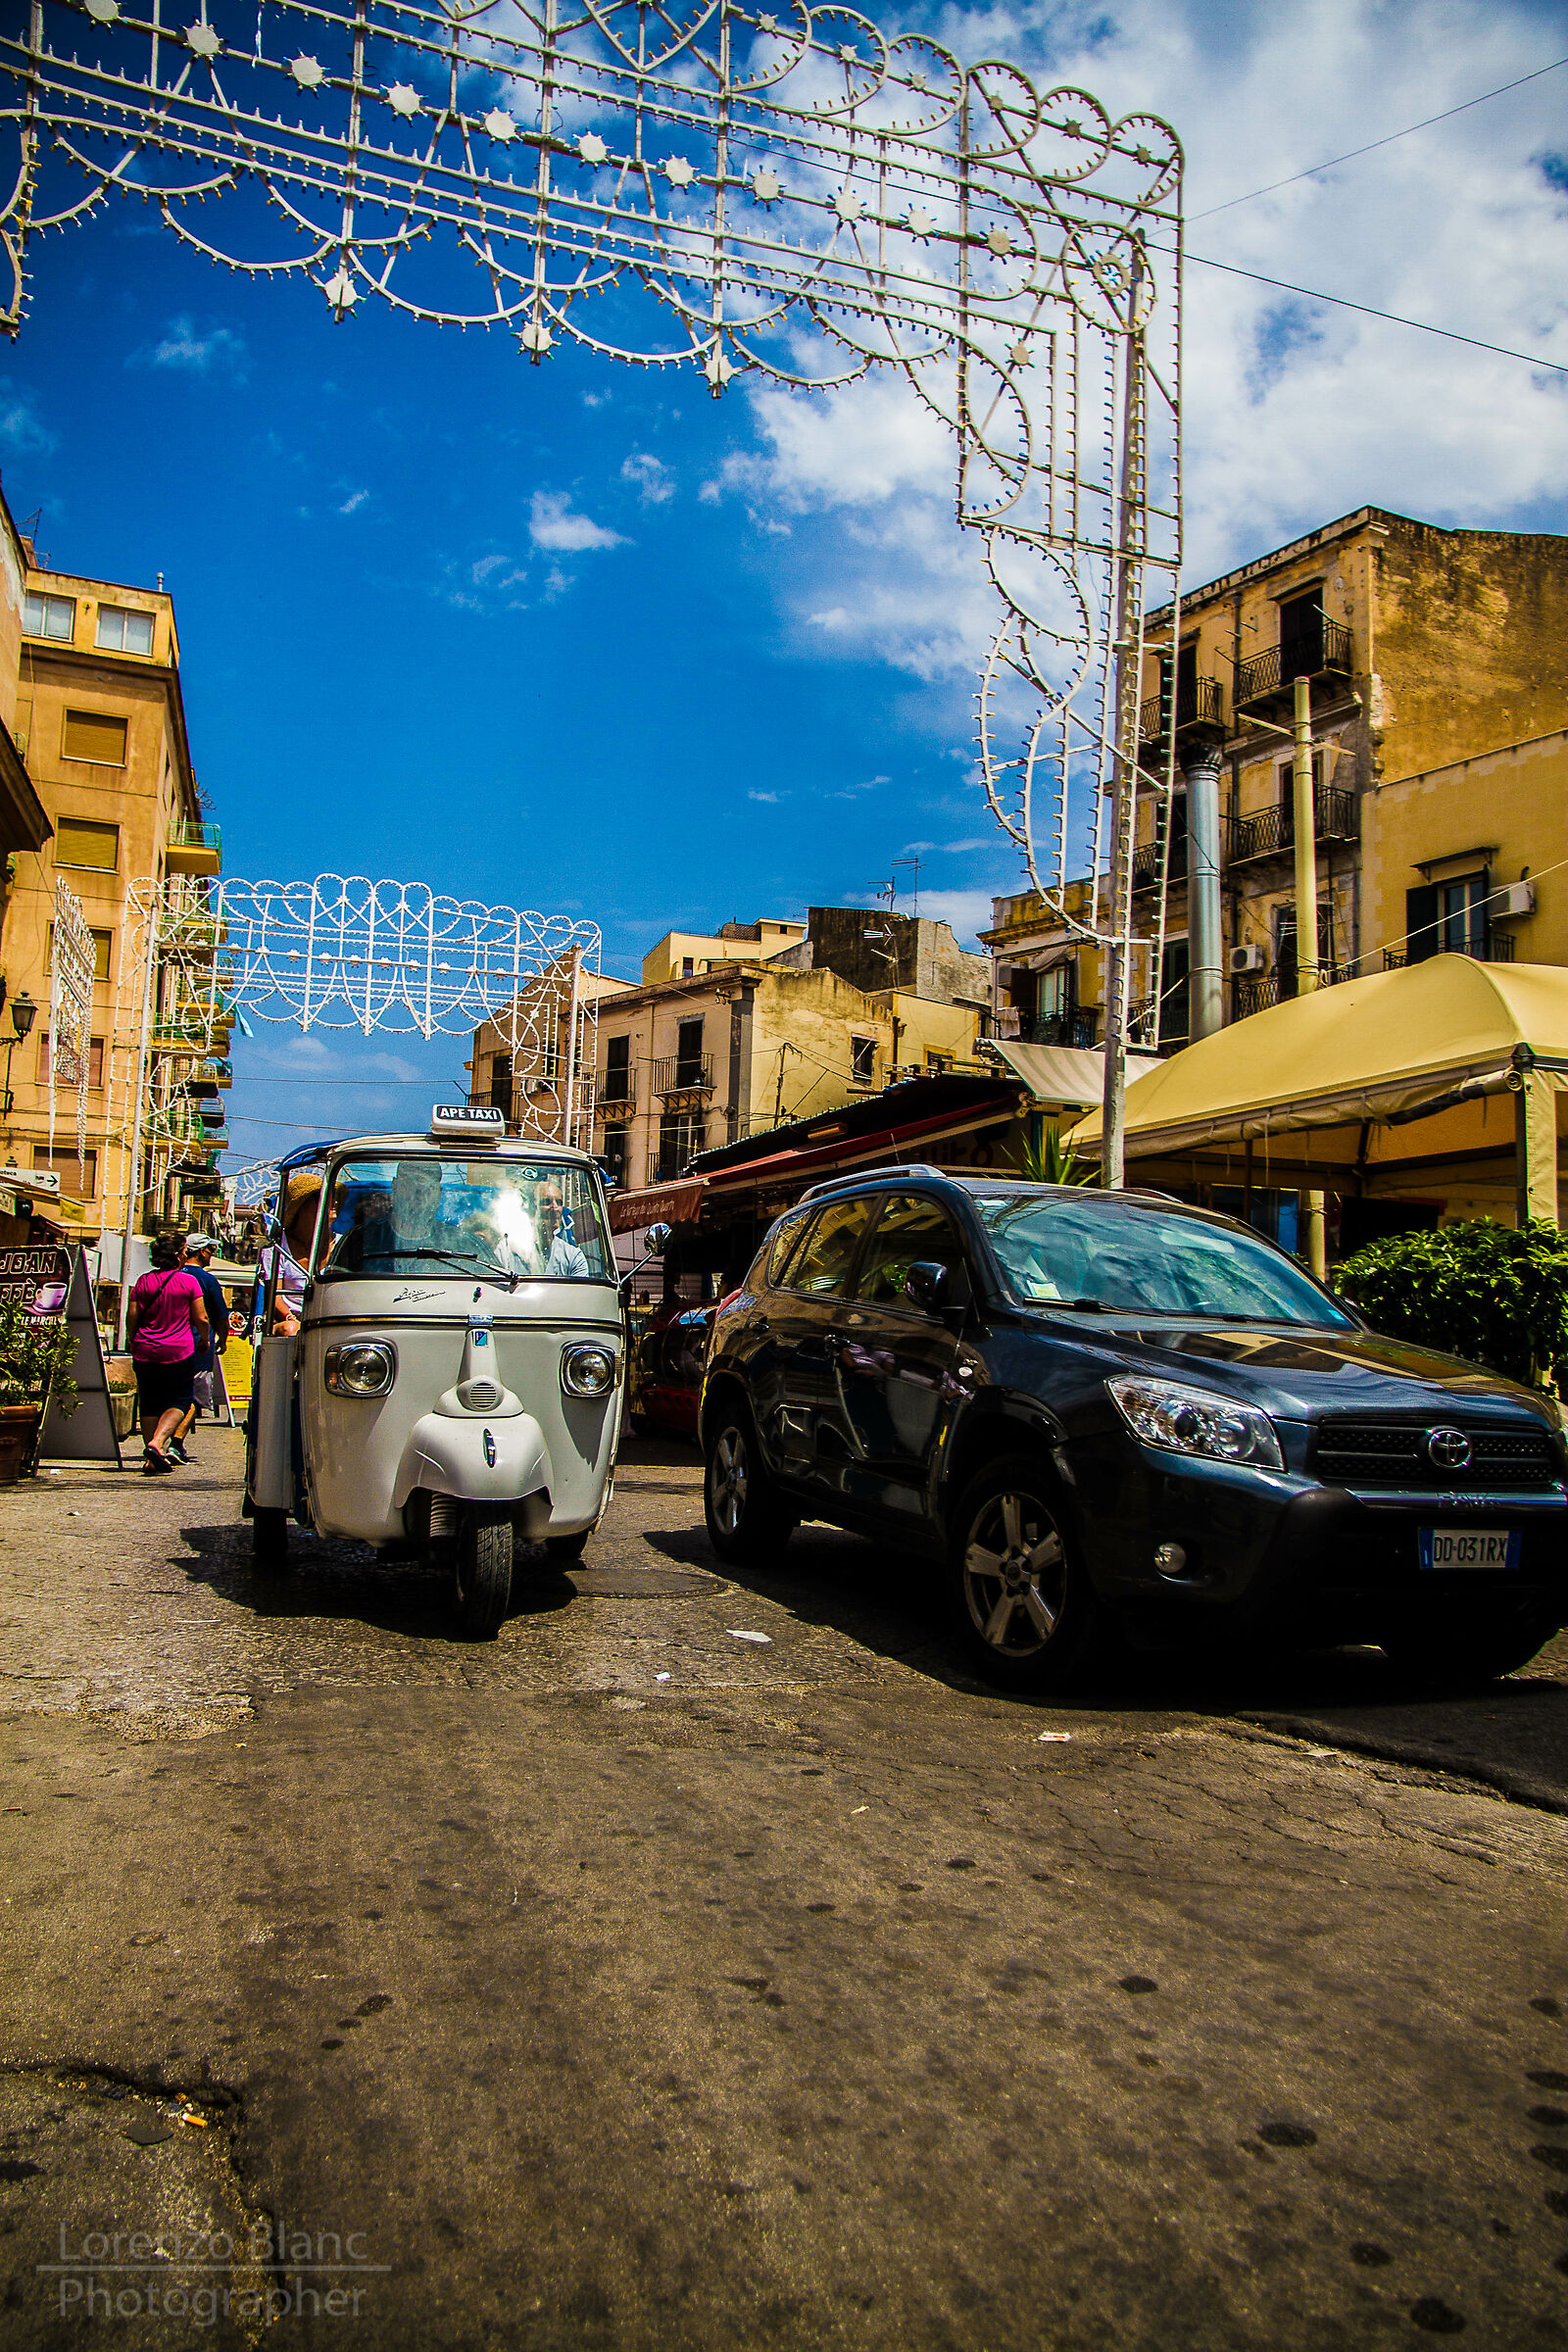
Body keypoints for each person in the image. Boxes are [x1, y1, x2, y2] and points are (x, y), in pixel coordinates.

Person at [125, 1230, 210, 1475]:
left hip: (145, 1350)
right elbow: (201, 1317)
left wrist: (133, 1339)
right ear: (177, 1255)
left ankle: (153, 1458)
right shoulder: (188, 1282)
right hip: (178, 1350)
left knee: (150, 1403)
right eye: (184, 1250)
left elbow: (132, 1316)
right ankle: (157, 1443)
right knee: (180, 1400)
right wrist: (204, 1339)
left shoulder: (143, 1281)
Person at [169, 1233, 229, 1463]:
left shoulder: (172, 1276)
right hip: (198, 1345)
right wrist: (222, 1340)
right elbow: (220, 1316)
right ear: (202, 1252)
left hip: (170, 1344)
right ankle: (176, 1442)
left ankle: (161, 1440)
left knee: (173, 1394)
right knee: (195, 1397)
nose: (212, 1255)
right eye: (211, 1251)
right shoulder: (207, 1280)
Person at [529, 1175, 589, 1279]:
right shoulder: (508, 1252)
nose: (555, 1208)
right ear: (532, 1208)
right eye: (547, 1202)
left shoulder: (573, 1257)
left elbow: (580, 1293)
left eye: (559, 1202)